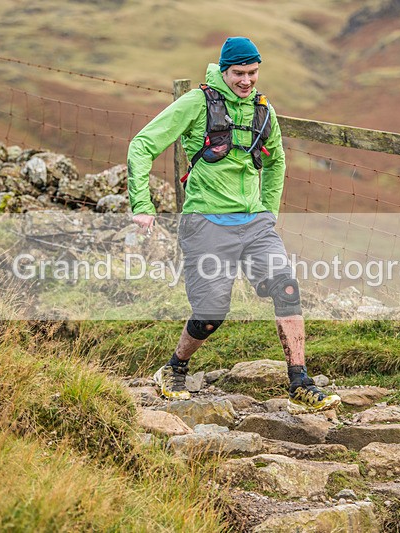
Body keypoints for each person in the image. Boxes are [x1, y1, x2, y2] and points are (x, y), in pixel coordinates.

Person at [127, 36, 340, 413]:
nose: (246, 81)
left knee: (286, 286)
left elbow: (276, 162)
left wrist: (268, 213)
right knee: (212, 310)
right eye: (238, 73)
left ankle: (300, 381)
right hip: (206, 220)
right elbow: (142, 144)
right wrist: (141, 204)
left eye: (253, 73)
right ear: (224, 71)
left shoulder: (263, 111)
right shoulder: (197, 102)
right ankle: (174, 368)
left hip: (255, 223)